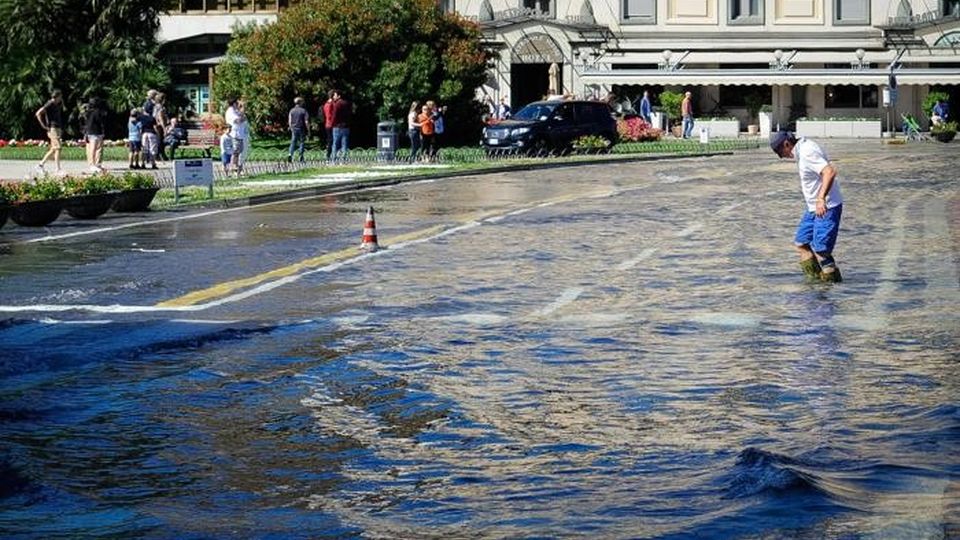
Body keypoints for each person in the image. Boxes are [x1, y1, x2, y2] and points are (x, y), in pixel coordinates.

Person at [770, 131, 844, 283]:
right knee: (801, 243)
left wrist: (821, 199)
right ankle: (814, 283)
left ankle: (830, 287)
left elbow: (829, 172)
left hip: (827, 206)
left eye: (779, 152)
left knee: (821, 250)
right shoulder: (802, 149)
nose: (781, 156)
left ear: (786, 144)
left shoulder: (807, 152)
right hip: (813, 207)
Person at [35, 89, 65, 175]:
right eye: (60, 97)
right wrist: (43, 125)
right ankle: (57, 169)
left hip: (57, 128)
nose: (61, 98)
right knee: (58, 147)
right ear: (57, 96)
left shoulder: (56, 104)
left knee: (53, 149)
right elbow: (38, 113)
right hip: (52, 128)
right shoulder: (50, 103)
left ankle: (40, 165)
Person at [83, 97, 107, 173]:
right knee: (95, 149)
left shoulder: (87, 112)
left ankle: (94, 164)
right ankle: (94, 165)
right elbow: (100, 121)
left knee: (92, 149)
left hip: (90, 131)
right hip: (96, 132)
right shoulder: (97, 112)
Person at [225, 97, 247, 175]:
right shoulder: (230, 112)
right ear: (234, 103)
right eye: (237, 103)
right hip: (234, 134)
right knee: (235, 152)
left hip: (239, 134)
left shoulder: (235, 111)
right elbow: (238, 120)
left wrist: (242, 110)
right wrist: (243, 109)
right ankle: (234, 169)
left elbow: (243, 117)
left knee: (239, 152)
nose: (238, 105)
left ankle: (237, 169)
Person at [329, 89, 352, 161]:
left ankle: (334, 158)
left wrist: (331, 124)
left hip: (337, 126)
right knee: (344, 143)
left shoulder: (337, 104)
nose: (333, 97)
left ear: (339, 96)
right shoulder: (346, 103)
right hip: (346, 126)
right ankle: (344, 158)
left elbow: (334, 115)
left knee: (335, 143)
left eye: (335, 95)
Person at [287, 96, 310, 163]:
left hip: (294, 128)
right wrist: (308, 130)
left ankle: (290, 154)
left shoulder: (292, 110)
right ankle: (301, 156)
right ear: (300, 102)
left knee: (293, 142)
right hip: (301, 128)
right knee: (302, 142)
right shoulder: (303, 111)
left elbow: (290, 120)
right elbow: (306, 121)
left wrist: (291, 127)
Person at [154, 92, 169, 161]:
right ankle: (158, 155)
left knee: (160, 141)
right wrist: (164, 128)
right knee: (160, 141)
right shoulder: (160, 107)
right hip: (159, 126)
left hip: (156, 125)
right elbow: (160, 118)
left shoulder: (156, 106)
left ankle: (161, 155)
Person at [322, 90, 336, 161]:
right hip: (333, 124)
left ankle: (328, 155)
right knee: (333, 140)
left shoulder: (326, 104)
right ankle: (330, 155)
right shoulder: (332, 104)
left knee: (329, 140)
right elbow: (333, 114)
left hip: (327, 124)